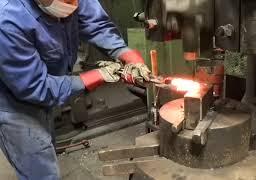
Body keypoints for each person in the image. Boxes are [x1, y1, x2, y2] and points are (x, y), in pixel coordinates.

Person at [0, 0, 151, 179]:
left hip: (46, 87)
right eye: (65, 0)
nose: (72, 4)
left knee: (47, 146)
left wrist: (122, 51)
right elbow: (35, 87)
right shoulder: (7, 20)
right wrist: (98, 75)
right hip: (14, 104)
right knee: (42, 171)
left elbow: (95, 23)